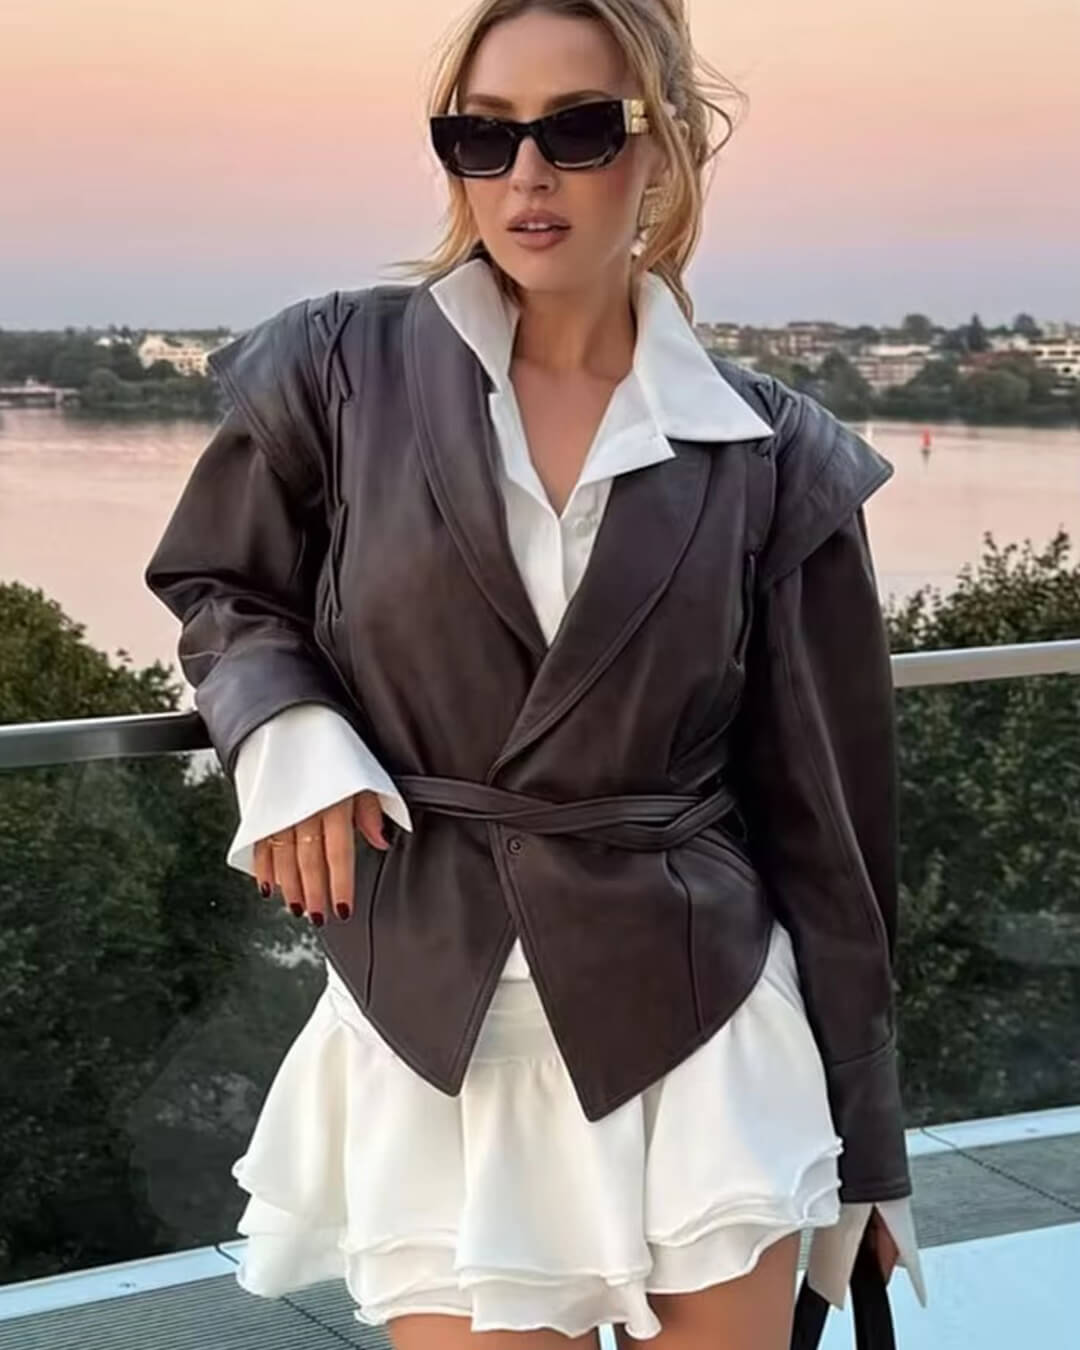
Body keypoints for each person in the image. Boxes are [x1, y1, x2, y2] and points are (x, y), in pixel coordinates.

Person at [144, 1, 928, 1345]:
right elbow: (222, 584)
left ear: (662, 149)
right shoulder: (340, 371)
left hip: (705, 1024)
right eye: (483, 135)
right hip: (438, 1011)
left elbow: (831, 820)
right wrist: (291, 735)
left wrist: (871, 1135)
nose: (526, 175)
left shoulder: (770, 450)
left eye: (578, 131)